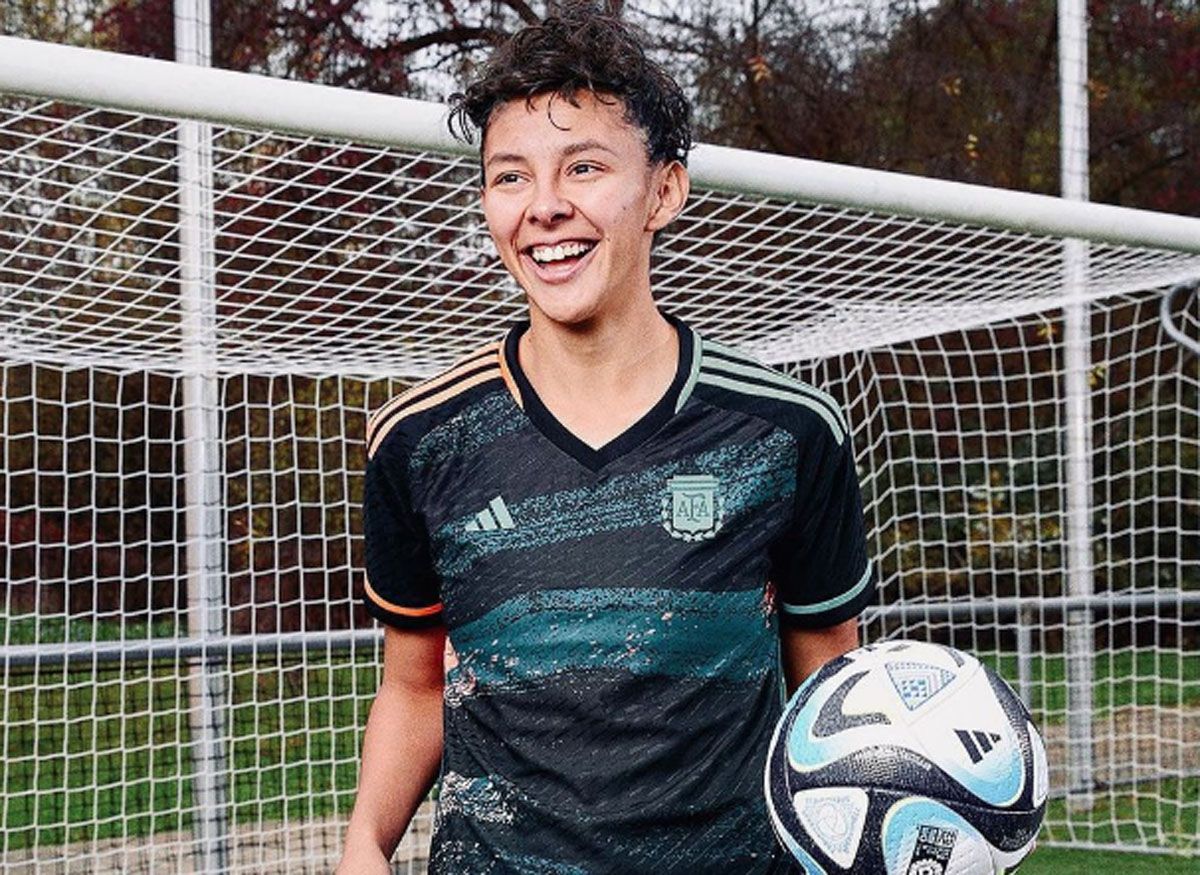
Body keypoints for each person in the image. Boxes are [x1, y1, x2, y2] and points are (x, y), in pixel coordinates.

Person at [337, 3, 874, 872]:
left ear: (664, 190)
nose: (544, 207)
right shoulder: (419, 438)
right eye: (509, 177)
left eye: (582, 167)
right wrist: (364, 843)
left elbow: (831, 692)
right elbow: (415, 683)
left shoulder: (788, 432)